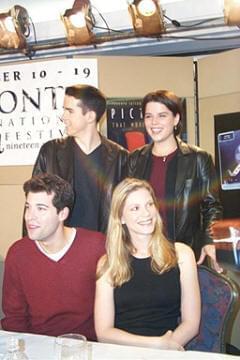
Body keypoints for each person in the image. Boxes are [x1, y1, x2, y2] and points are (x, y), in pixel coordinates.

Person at [94, 178, 200, 350]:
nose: (146, 214)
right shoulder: (108, 263)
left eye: (149, 204)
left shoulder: (182, 254)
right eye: (135, 208)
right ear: (121, 217)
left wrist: (166, 348)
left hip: (169, 350)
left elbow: (191, 323)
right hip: (123, 352)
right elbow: (104, 332)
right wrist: (155, 345)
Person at [127, 90, 223, 272]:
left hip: (184, 254)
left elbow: (212, 207)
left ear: (176, 119)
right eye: (149, 116)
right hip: (143, 253)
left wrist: (209, 241)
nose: (154, 123)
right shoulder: (135, 159)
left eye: (162, 116)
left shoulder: (198, 159)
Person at [1, 174, 105, 340]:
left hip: (90, 346)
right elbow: (15, 320)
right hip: (39, 346)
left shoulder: (97, 246)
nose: (29, 217)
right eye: (28, 207)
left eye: (41, 209)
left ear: (62, 213)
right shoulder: (18, 254)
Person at [32, 84, 128, 233]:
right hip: (61, 247)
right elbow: (34, 204)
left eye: (70, 111)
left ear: (90, 116)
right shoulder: (50, 152)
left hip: (105, 248)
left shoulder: (120, 157)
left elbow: (128, 210)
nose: (63, 117)